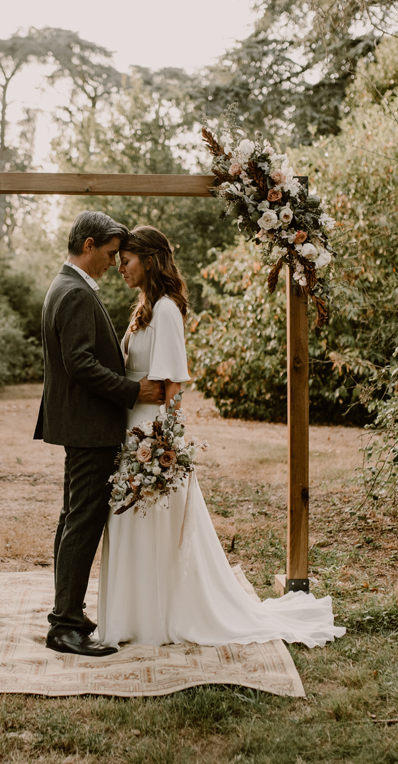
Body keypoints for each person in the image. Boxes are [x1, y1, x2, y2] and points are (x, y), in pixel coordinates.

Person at [97, 225, 346, 649]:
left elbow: (169, 388)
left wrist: (154, 445)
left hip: (152, 438)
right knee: (129, 525)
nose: (120, 266)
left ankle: (154, 619)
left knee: (151, 527)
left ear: (151, 260)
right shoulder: (145, 309)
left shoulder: (168, 311)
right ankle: (131, 616)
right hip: (130, 430)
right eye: (119, 259)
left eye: (127, 259)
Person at [34, 211, 165, 657]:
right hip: (89, 426)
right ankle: (64, 626)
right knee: (82, 521)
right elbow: (80, 364)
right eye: (110, 254)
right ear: (88, 245)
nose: (114, 262)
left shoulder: (68, 286)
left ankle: (66, 614)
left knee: (74, 518)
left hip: (82, 424)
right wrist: (133, 390)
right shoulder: (73, 292)